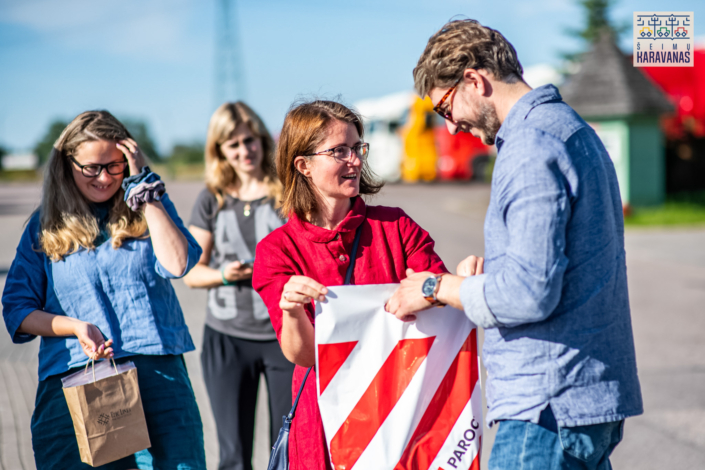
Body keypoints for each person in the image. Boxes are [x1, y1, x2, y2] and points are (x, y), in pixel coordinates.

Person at [386, 19, 643, 470]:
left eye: (445, 109)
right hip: (585, 399)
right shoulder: (572, 130)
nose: (451, 127)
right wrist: (488, 281)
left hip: (546, 408)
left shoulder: (529, 146)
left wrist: (436, 288)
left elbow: (528, 293)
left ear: (474, 80)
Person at [1, 110, 206, 470]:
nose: (105, 178)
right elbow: (17, 309)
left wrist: (143, 184)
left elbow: (178, 264)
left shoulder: (147, 206)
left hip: (158, 378)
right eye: (92, 167)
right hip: (78, 379)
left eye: (115, 166)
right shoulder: (44, 226)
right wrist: (75, 327)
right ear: (67, 164)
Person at [251, 100, 449, 470]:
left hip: (399, 409)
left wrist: (451, 286)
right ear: (303, 165)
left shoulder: (396, 227)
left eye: (357, 148)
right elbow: (305, 356)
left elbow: (439, 296)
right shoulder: (276, 250)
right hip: (325, 420)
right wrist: (291, 310)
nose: (355, 161)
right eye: (339, 151)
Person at [183, 101, 294, 470]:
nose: (244, 151)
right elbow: (191, 272)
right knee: (233, 457)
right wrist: (225, 274)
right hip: (226, 338)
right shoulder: (211, 199)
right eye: (233, 145)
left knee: (288, 450)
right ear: (220, 151)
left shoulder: (288, 192)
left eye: (249, 140)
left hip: (286, 339)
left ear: (261, 139)